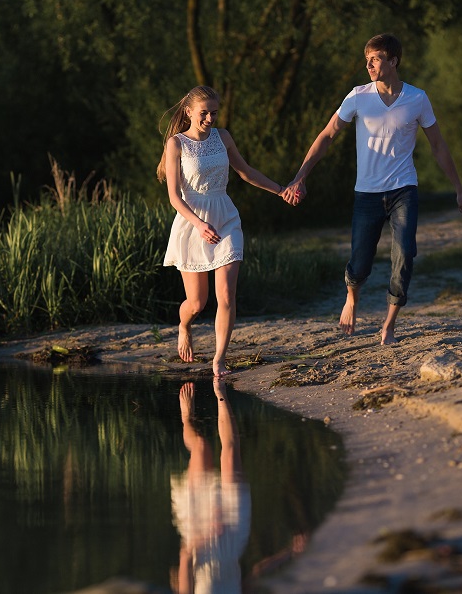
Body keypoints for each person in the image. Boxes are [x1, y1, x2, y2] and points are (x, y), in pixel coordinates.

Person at [282, 34, 462, 345]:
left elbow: (438, 145)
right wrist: (301, 176)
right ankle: (352, 298)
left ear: (393, 61)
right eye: (367, 58)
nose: (368, 64)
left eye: (376, 58)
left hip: (403, 189)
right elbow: (328, 135)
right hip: (366, 193)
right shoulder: (357, 97)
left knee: (405, 253)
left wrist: (459, 190)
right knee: (360, 262)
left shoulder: (417, 98)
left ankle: (390, 324)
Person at [159, 86, 291, 376]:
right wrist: (199, 224)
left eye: (214, 112)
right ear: (188, 112)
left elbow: (246, 171)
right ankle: (183, 326)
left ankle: (219, 358)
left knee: (227, 296)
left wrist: (280, 190)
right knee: (196, 303)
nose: (209, 118)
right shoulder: (176, 144)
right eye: (204, 112)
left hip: (226, 218)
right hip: (193, 222)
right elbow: (173, 197)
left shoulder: (224, 137)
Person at [170, 380, 251, 594]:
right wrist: (289, 553)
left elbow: (185, 555)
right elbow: (252, 581)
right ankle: (220, 391)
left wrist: (207, 533)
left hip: (201, 531)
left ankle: (186, 418)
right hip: (233, 535)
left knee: (201, 448)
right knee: (231, 453)